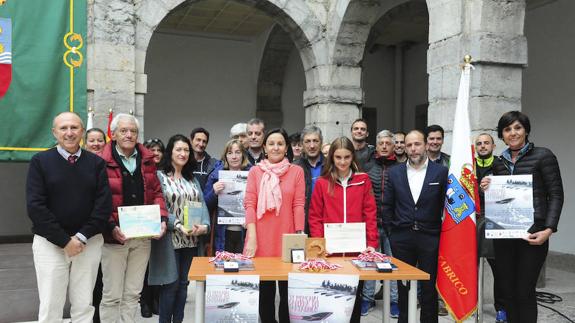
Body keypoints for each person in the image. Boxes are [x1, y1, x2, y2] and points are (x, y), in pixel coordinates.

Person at [26, 112, 112, 323]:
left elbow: (103, 206)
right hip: (50, 244)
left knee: (84, 305)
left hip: (88, 243)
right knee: (50, 306)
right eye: (63, 128)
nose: (69, 132)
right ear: (54, 132)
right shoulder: (40, 161)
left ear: (82, 132)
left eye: (74, 127)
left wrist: (81, 237)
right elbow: (36, 207)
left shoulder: (96, 163)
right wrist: (65, 241)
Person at [480, 111, 563, 323]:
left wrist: (549, 229)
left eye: (517, 128)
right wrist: (486, 188)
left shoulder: (544, 156)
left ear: (526, 130)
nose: (513, 133)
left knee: (524, 291)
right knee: (507, 290)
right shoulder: (498, 163)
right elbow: (497, 198)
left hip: (533, 235)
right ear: (502, 135)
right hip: (504, 236)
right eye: (507, 129)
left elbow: (555, 194)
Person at [98, 113, 168, 323]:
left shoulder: (147, 160)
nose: (129, 135)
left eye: (133, 131)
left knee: (133, 293)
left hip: (142, 236)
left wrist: (162, 219)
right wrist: (110, 226)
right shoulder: (101, 161)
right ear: (114, 134)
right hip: (114, 237)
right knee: (111, 295)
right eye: (124, 130)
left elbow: (156, 192)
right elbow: (99, 199)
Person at [308, 136, 378, 322]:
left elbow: (370, 213)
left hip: (357, 251)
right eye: (338, 157)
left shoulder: (363, 180)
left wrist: (371, 243)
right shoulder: (322, 183)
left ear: (352, 157)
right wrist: (319, 245)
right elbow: (315, 216)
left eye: (347, 157)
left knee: (355, 297)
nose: (342, 162)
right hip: (331, 252)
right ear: (331, 158)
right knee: (332, 299)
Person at [383, 130, 448, 323]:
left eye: (417, 144)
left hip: (430, 238)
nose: (413, 149)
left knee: (429, 288)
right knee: (404, 288)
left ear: (426, 145)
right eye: (409, 145)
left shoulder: (441, 172)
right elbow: (387, 206)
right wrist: (392, 233)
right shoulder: (395, 172)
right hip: (402, 238)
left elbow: (448, 203)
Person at [243, 128, 305, 323]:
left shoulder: (297, 171)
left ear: (286, 147)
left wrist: (299, 236)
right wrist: (252, 237)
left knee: (288, 293)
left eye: (280, 144)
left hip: (287, 238)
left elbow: (299, 205)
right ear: (264, 148)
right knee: (265, 293)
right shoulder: (255, 172)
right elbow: (250, 204)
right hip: (260, 238)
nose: (276, 147)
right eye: (271, 144)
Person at [148, 134, 210, 323]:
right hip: (170, 239)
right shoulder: (159, 177)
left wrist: (204, 226)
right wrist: (177, 224)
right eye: (179, 149)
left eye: (186, 150)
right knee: (171, 286)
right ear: (170, 152)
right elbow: (159, 207)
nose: (183, 153)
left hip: (191, 239)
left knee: (184, 286)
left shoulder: (192, 180)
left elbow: (202, 206)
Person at [362, 130, 399, 317]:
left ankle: (393, 301)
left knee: (391, 264)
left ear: (394, 146)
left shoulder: (401, 167)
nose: (384, 146)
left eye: (388, 143)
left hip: (393, 225)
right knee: (369, 263)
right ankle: (367, 299)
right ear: (376, 146)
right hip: (372, 224)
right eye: (381, 143)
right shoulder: (367, 167)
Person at [474, 133, 507, 322]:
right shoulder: (468, 165)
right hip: (473, 219)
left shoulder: (501, 164)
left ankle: (501, 308)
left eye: (486, 143)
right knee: (471, 267)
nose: (483, 146)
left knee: (499, 267)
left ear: (493, 146)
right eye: (479, 143)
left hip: (496, 219)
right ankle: (469, 304)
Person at [204, 139, 251, 253]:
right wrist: (214, 192)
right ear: (225, 156)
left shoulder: (252, 175)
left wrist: (250, 220)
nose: (234, 157)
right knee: (224, 267)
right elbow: (205, 205)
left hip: (245, 231)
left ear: (243, 155)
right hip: (223, 233)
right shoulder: (216, 176)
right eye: (230, 153)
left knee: (245, 268)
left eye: (237, 152)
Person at [84, 127, 108, 322]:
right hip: (87, 234)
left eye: (100, 140)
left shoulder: (110, 165)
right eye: (92, 140)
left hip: (109, 233)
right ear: (85, 143)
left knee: (102, 282)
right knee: (87, 282)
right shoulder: (80, 166)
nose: (96, 144)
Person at [139, 138, 165, 317]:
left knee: (158, 265)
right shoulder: (142, 169)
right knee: (145, 267)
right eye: (152, 149)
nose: (155, 153)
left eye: (159, 150)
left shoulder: (167, 171)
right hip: (143, 224)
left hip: (162, 225)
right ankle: (144, 302)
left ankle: (156, 300)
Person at [293, 125, 324, 234]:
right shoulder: (294, 168)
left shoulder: (331, 166)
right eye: (307, 141)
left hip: (324, 222)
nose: (312, 146)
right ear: (302, 144)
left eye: (315, 141)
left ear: (321, 143)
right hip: (302, 223)